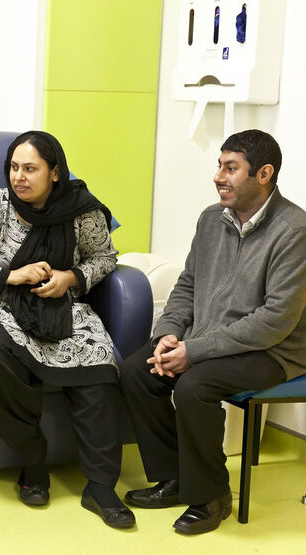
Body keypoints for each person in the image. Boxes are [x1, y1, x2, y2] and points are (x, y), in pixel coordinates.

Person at [0, 130, 135, 528]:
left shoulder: (83, 211)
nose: (19, 177)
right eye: (14, 167)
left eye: (30, 169)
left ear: (55, 173)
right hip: (4, 306)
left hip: (66, 309)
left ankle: (100, 487)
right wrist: (8, 275)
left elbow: (106, 257)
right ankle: (33, 466)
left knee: (100, 365)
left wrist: (72, 276)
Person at [119, 129, 306, 534]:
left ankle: (211, 496)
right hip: (213, 339)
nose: (218, 176)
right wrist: (169, 332)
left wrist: (195, 350)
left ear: (264, 174)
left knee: (194, 386)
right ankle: (174, 479)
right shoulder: (211, 220)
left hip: (275, 351)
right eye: (219, 165)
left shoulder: (294, 231)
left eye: (230, 168)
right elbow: (188, 284)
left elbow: (274, 320)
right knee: (138, 370)